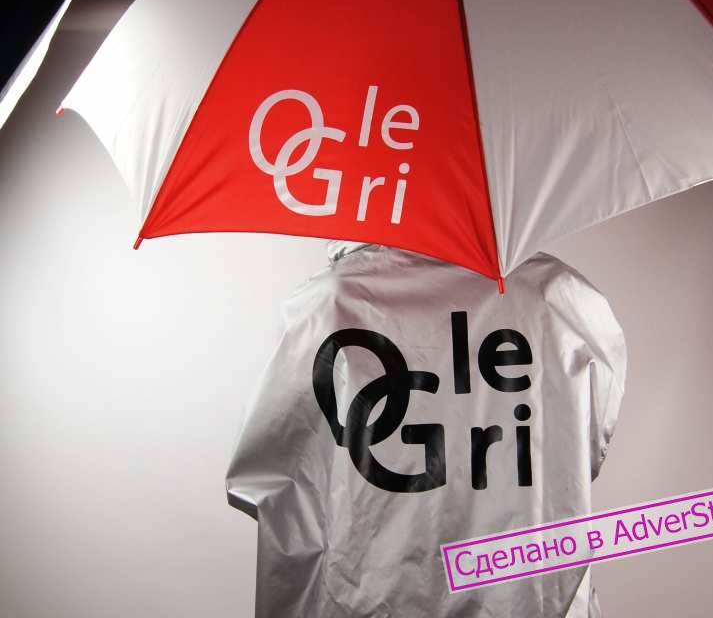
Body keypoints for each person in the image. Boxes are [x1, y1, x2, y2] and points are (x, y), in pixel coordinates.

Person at [226, 241, 627, 617]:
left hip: (363, 595)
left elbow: (262, 475)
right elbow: (585, 450)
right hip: (530, 596)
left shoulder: (326, 303)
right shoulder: (560, 297)